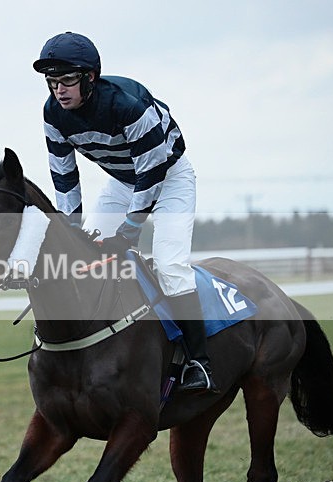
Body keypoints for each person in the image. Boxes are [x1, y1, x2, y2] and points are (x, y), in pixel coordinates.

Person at [33, 31, 216, 393]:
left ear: (90, 77)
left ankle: (199, 362)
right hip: (121, 182)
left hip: (169, 177)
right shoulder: (53, 114)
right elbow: (65, 178)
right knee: (85, 257)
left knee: (169, 265)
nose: (58, 90)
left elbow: (151, 175)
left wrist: (128, 234)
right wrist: (71, 233)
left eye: (67, 80)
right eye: (52, 82)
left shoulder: (129, 105)